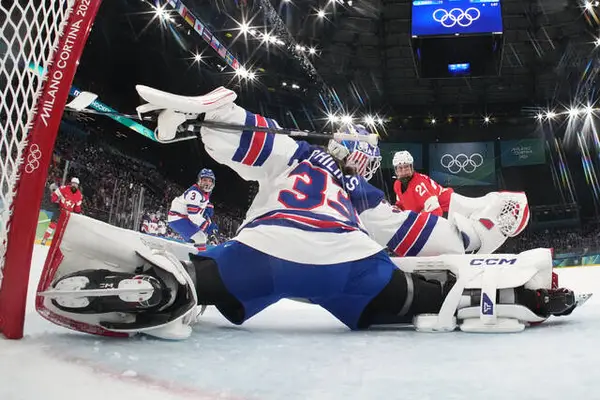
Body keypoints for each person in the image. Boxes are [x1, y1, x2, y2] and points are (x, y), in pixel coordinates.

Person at [36, 86, 578, 340]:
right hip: (348, 265)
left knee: (205, 278)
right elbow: (420, 237)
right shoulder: (366, 197)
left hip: (263, 253)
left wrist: (202, 120)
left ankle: (157, 290)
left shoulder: (295, 153)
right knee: (421, 297)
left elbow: (248, 135)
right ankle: (514, 298)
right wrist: (476, 234)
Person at [168, 168, 218, 249]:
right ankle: (199, 256)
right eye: (205, 180)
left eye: (210, 180)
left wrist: (207, 206)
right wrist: (207, 226)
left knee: (194, 240)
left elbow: (203, 201)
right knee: (200, 238)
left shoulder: (205, 191)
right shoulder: (194, 193)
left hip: (184, 217)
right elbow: (193, 215)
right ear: (199, 180)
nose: (207, 183)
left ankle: (187, 252)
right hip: (178, 218)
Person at [392, 150, 453, 216]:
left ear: (411, 167)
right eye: (400, 168)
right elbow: (401, 204)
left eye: (406, 167)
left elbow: (436, 211)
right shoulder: (397, 184)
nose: (404, 171)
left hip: (449, 208)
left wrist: (420, 216)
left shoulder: (419, 185)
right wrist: (396, 208)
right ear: (396, 170)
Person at [41, 177, 83, 245]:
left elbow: (77, 207)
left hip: (68, 214)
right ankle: (45, 238)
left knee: (64, 229)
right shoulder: (64, 188)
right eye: (73, 183)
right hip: (60, 210)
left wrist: (78, 212)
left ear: (78, 185)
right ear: (71, 183)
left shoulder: (79, 195)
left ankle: (59, 243)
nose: (74, 185)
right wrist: (54, 200)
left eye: (76, 184)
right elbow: (55, 194)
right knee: (52, 225)